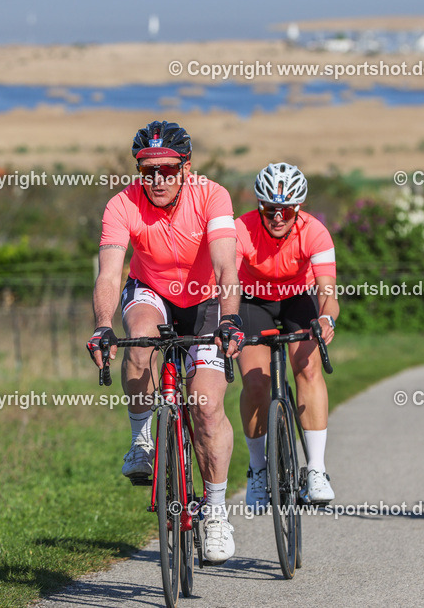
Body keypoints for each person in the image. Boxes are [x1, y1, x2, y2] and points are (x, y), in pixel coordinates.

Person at [86, 120, 244, 564]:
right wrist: (102, 325)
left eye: (168, 170)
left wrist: (230, 318)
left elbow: (226, 266)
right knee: (139, 338)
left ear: (186, 168)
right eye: (147, 170)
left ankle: (215, 512)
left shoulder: (212, 196)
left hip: (206, 299)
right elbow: (109, 274)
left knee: (207, 408)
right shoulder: (122, 204)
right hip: (151, 291)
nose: (157, 179)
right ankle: (142, 442)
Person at [235, 163, 339, 510]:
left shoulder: (315, 232)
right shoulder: (241, 229)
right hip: (252, 301)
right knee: (255, 382)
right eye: (269, 210)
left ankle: (317, 470)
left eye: (286, 211)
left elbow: (328, 293)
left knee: (308, 368)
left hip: (297, 299)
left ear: (298, 208)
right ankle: (258, 468)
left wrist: (326, 319)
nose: (278, 218)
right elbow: (226, 282)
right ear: (259, 205)